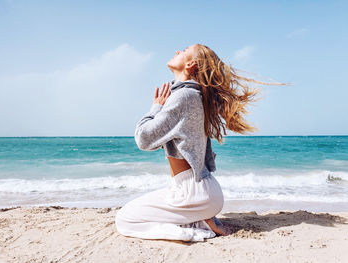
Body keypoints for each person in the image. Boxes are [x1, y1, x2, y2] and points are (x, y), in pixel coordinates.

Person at [115, 44, 287, 242]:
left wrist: (156, 108)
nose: (177, 51)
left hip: (193, 193)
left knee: (125, 219)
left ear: (191, 64)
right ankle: (201, 219)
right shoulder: (192, 96)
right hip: (198, 192)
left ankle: (196, 229)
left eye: (184, 50)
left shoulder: (184, 96)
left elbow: (144, 139)